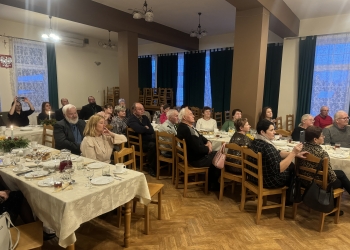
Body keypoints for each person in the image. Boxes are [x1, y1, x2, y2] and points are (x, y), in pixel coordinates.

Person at [300, 126, 350, 215]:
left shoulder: (301, 148)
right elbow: (332, 177)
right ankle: (330, 208)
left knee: (341, 173)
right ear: (315, 139)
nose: (324, 137)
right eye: (322, 135)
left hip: (304, 180)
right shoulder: (322, 153)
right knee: (340, 181)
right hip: (317, 183)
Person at [249, 119, 307, 188]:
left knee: (290, 166)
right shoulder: (267, 147)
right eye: (271, 130)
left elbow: (278, 152)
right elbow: (279, 169)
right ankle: (292, 195)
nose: (274, 132)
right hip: (267, 181)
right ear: (262, 132)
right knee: (292, 168)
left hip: (253, 177)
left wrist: (295, 154)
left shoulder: (255, 141)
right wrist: (293, 153)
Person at [177, 107, 220, 191]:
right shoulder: (186, 129)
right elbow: (198, 149)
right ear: (184, 117)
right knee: (220, 156)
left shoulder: (188, 127)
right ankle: (212, 184)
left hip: (196, 157)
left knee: (218, 154)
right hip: (197, 160)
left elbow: (200, 137)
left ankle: (211, 181)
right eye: (191, 114)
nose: (193, 116)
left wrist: (208, 142)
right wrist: (208, 149)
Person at [127, 103, 157, 177]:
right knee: (153, 145)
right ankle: (150, 167)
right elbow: (139, 130)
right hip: (137, 143)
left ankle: (156, 164)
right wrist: (145, 128)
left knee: (157, 142)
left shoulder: (145, 118)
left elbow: (151, 130)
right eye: (140, 109)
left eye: (143, 109)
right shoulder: (131, 119)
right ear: (134, 111)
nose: (142, 110)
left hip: (147, 140)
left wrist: (145, 129)